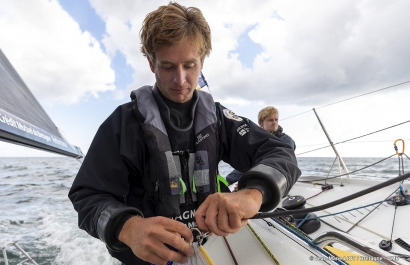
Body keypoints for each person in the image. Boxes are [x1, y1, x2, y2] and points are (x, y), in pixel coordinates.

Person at [68, 3, 300, 265]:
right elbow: (87, 196)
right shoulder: (123, 124)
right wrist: (129, 229)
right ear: (150, 62)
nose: (180, 80)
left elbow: (281, 153)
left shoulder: (218, 118)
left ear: (202, 60)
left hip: (208, 249)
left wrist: (253, 194)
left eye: (190, 65)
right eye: (168, 67)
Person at [226, 106, 296, 185]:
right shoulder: (256, 140)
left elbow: (281, 164)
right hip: (259, 178)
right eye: (270, 120)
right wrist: (228, 180)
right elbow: (247, 163)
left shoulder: (286, 140)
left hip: (279, 180)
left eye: (276, 119)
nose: (274, 123)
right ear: (261, 123)